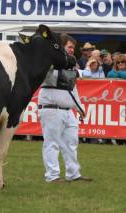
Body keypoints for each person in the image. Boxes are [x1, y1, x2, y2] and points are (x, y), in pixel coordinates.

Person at [38, 34, 92, 183]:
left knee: (71, 142)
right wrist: (74, 73)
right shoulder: (48, 62)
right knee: (51, 143)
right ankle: (52, 176)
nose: (72, 50)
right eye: (69, 47)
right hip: (51, 108)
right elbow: (50, 77)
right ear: (60, 47)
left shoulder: (70, 65)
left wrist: (80, 109)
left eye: (73, 48)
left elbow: (72, 88)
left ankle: (73, 173)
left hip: (68, 110)